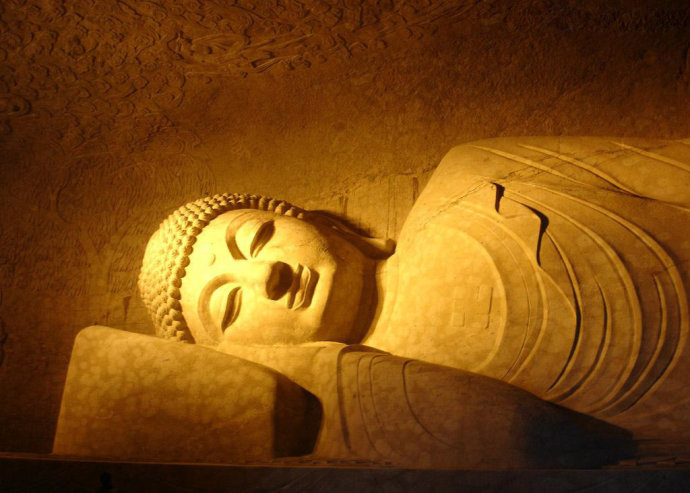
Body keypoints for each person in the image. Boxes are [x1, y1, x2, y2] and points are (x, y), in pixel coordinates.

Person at [135, 137, 690, 466]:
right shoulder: (385, 414)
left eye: (259, 238)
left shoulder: (473, 175)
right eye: (230, 307)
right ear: (253, 362)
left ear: (324, 221)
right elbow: (536, 446)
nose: (267, 275)